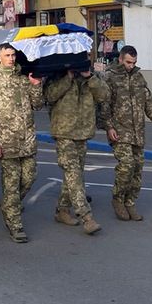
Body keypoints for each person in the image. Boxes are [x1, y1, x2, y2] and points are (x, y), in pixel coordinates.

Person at [0, 44, 45, 243]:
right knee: (11, 185)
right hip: (6, 141)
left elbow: (38, 105)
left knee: (29, 178)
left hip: (27, 140)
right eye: (7, 55)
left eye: (13, 55)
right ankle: (15, 225)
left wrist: (36, 86)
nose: (11, 58)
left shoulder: (22, 79)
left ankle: (8, 205)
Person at [103, 46, 152, 222]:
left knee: (137, 169)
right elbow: (104, 105)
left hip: (138, 132)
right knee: (126, 166)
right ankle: (118, 200)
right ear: (121, 59)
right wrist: (109, 127)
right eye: (128, 62)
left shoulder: (138, 77)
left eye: (134, 62)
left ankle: (130, 202)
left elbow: (148, 101)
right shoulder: (110, 77)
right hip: (120, 131)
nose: (131, 65)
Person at [46, 67, 109, 235]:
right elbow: (49, 96)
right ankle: (86, 217)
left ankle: (62, 210)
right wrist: (67, 77)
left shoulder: (92, 77)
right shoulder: (58, 75)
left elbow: (104, 96)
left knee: (75, 175)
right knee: (73, 173)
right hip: (63, 132)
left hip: (83, 133)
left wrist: (89, 77)